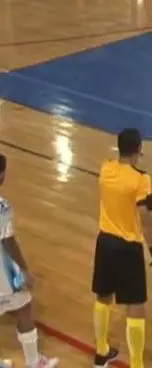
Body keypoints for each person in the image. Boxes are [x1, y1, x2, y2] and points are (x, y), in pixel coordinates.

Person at [91, 128, 152, 368]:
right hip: (128, 247)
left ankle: (101, 351)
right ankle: (137, 364)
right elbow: (146, 219)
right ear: (139, 149)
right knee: (135, 305)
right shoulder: (142, 180)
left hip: (104, 242)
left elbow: (122, 185)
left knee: (103, 296)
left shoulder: (106, 169)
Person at [0, 154, 59, 368]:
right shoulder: (2, 207)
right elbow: (7, 241)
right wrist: (24, 270)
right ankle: (34, 363)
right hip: (3, 275)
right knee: (24, 307)